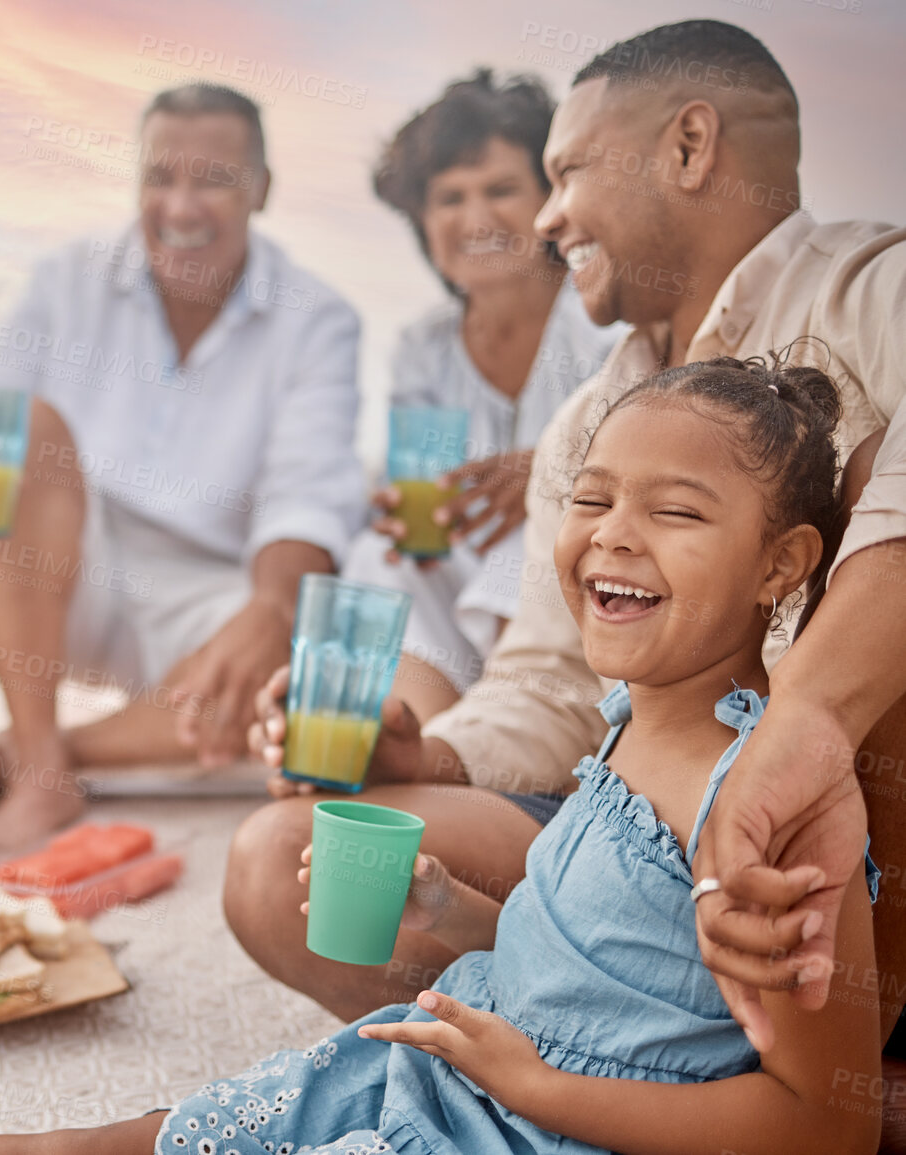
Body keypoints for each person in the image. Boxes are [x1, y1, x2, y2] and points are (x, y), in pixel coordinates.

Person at [0, 358, 882, 1155]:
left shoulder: (762, 801)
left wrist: (535, 1087)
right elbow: (603, 962)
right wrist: (453, 913)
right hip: (447, 1070)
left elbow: (821, 1124)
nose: (613, 535)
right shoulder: (627, 721)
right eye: (591, 498)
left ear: (782, 564)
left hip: (527, 1125)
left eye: (675, 512)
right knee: (102, 1141)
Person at [228, 19, 906, 1040]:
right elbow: (549, 682)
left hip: (839, 840)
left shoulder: (873, 288)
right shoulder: (588, 417)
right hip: (641, 829)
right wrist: (427, 759)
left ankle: (841, 1053)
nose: (545, 221)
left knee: (869, 505)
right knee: (289, 863)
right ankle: (638, 1077)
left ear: (688, 148)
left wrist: (798, 725)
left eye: (565, 173)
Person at [0, 84, 364, 850]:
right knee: (18, 431)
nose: (180, 208)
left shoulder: (318, 318)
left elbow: (307, 491)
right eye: (159, 178)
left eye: (211, 180)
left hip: (209, 589)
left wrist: (271, 612)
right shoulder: (62, 279)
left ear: (261, 190)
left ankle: (34, 757)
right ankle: (44, 752)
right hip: (61, 571)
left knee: (335, 694)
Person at [339, 69, 620, 719]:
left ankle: (507, 735)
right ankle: (424, 741)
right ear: (421, 220)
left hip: (576, 584)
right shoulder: (423, 346)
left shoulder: (600, 327)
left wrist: (542, 472)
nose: (475, 218)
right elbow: (431, 490)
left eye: (500, 190)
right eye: (448, 198)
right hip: (472, 580)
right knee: (375, 556)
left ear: (551, 202)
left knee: (521, 542)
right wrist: (407, 507)